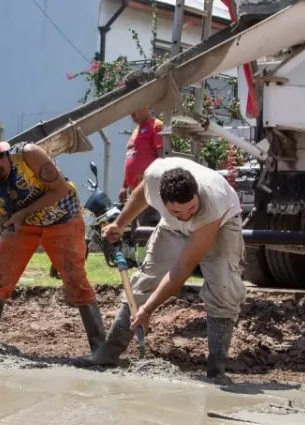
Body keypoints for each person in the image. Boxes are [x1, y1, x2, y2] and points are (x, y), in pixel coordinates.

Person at [0, 136, 106, 350]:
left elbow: (60, 190)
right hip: (23, 226)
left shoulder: (29, 155)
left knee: (75, 280)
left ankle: (101, 348)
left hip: (62, 220)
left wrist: (23, 213)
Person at [84, 156, 245, 378]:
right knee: (147, 279)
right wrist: (119, 224)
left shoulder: (209, 205)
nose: (187, 215)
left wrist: (148, 310)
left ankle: (216, 370)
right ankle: (107, 354)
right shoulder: (154, 177)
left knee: (224, 289)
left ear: (196, 193)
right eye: (179, 211)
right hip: (171, 227)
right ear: (162, 200)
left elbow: (182, 267)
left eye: (191, 208)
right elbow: (141, 194)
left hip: (221, 223)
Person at [120, 106, 163, 227]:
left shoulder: (156, 126)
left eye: (135, 107)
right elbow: (131, 157)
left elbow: (162, 159)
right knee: (136, 234)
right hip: (134, 193)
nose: (131, 113)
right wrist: (124, 186)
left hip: (149, 192)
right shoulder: (136, 130)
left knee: (146, 232)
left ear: (145, 106)